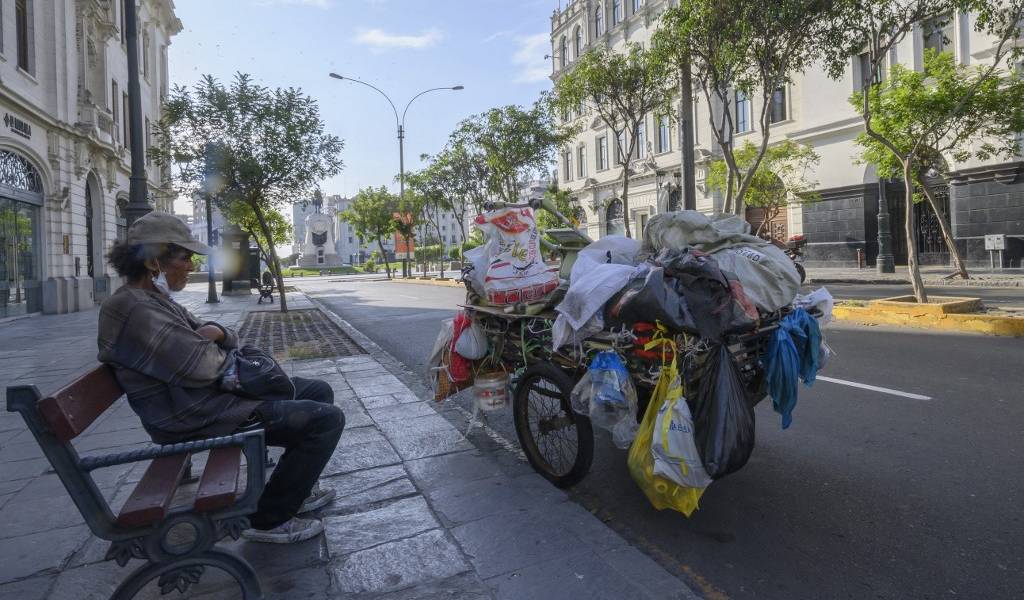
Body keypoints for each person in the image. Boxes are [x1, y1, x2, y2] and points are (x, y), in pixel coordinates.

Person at [98, 211, 343, 544]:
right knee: (325, 420)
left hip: (206, 399)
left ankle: (295, 490)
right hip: (196, 414)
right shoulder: (135, 309)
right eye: (184, 257)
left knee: (317, 391)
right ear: (154, 261)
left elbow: (217, 335)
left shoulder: (153, 300)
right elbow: (203, 364)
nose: (191, 266)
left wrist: (219, 336)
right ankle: (268, 520)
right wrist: (218, 342)